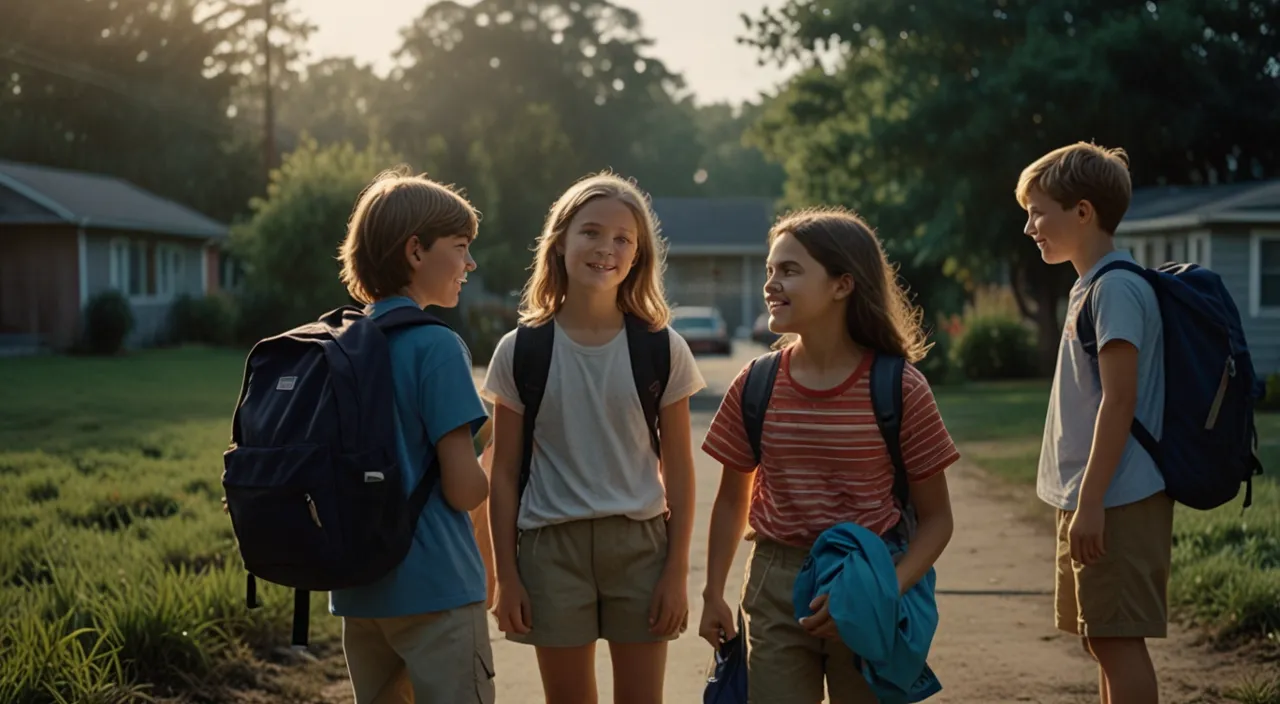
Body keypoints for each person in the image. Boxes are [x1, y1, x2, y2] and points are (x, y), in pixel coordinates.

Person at [698, 207, 960, 703]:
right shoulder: (756, 383)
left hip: (868, 578)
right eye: (771, 270)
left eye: (790, 270)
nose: (771, 283)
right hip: (774, 585)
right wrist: (713, 592)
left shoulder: (900, 388)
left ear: (843, 285)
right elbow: (733, 501)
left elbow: (938, 520)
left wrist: (881, 593)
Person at [482, 172, 707, 704]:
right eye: (591, 232)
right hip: (548, 548)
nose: (606, 248)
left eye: (623, 239)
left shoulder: (662, 347)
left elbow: (679, 469)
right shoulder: (519, 350)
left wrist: (676, 572)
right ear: (560, 241)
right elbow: (505, 472)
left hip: (640, 546)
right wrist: (506, 577)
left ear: (638, 256)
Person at [329, 167, 496, 704]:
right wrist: (501, 451)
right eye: (461, 246)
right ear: (416, 251)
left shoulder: (340, 347)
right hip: (437, 590)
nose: (470, 263)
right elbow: (463, 489)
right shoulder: (437, 347)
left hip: (360, 589)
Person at [1017, 142, 1169, 704]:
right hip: (1096, 497)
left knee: (1116, 638)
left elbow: (1120, 400)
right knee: (1099, 638)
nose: (1030, 226)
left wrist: (1092, 502)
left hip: (1116, 497)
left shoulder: (1117, 288)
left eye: (1038, 211)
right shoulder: (1089, 286)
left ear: (1083, 212)